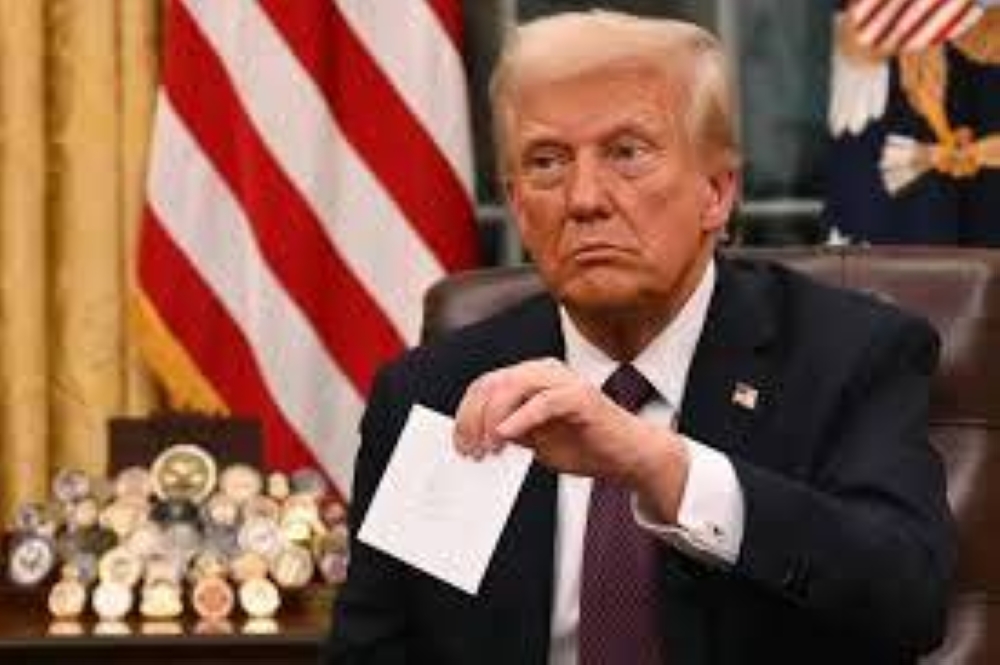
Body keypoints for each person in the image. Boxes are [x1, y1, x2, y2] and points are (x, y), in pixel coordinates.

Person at [327, 10, 955, 665]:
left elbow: (908, 594)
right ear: (517, 206)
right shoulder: (440, 392)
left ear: (717, 192)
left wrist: (661, 466)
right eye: (546, 162)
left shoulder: (849, 355)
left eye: (627, 152)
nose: (584, 198)